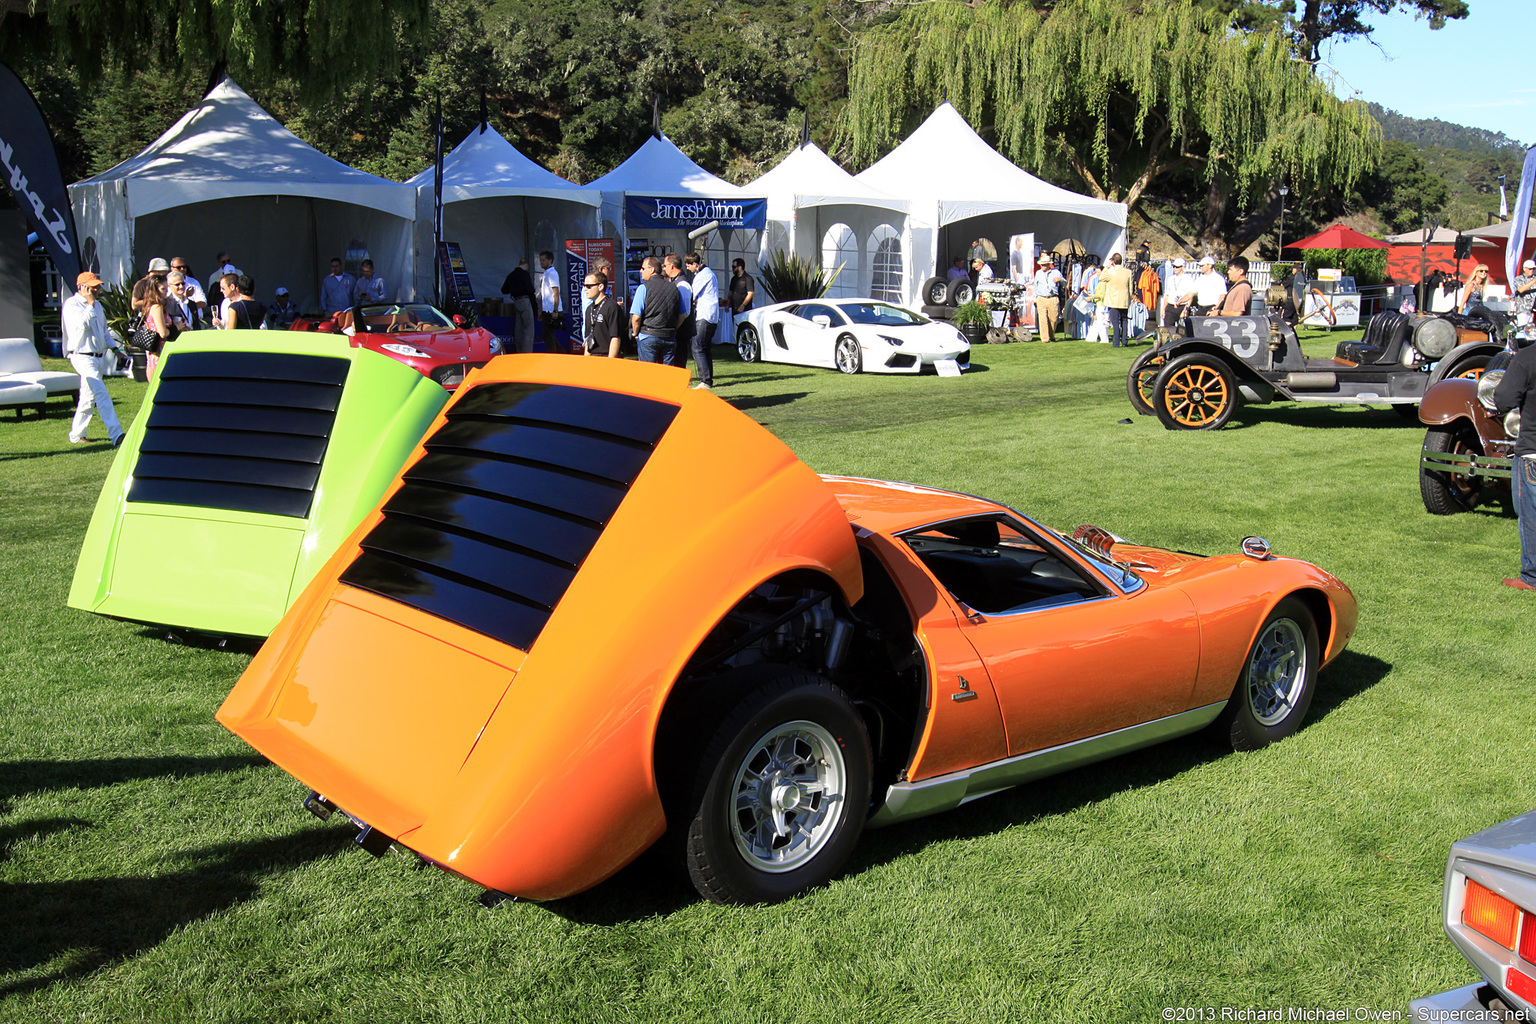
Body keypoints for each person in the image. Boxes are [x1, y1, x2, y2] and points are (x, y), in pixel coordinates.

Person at [63, 271, 125, 447]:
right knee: (101, 393)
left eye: (97, 287)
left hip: (97, 357)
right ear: (82, 288)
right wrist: (90, 305)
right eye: (93, 287)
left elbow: (104, 332)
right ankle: (116, 434)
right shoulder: (72, 305)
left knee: (87, 398)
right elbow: (80, 327)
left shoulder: (97, 305)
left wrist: (116, 350)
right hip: (81, 356)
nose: (97, 290)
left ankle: (77, 434)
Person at [1494, 339, 1536, 590]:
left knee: (1531, 516)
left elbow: (1504, 399)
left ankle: (1531, 577)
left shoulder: (1527, 357)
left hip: (1532, 451)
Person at [629, 256, 680, 364]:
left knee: (648, 375)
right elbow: (683, 314)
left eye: (643, 268)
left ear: (651, 270)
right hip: (669, 336)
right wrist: (673, 328)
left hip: (649, 335)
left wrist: (635, 333)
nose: (640, 271)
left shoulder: (643, 288)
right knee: (667, 374)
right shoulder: (673, 287)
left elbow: (636, 317)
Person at [685, 252, 719, 388]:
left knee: (697, 347)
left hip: (704, 316)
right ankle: (708, 378)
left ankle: (705, 380)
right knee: (705, 348)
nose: (687, 268)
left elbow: (692, 294)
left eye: (689, 266)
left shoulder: (703, 276)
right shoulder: (709, 274)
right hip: (712, 316)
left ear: (695, 264)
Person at [662, 253, 694, 369]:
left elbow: (685, 312)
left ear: (671, 266)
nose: (664, 268)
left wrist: (674, 328)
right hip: (677, 331)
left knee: (679, 363)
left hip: (681, 332)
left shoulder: (682, 284)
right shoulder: (675, 281)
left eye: (665, 265)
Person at [501, 257, 537, 353]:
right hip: (525, 300)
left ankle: (519, 350)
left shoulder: (511, 275)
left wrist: (513, 289)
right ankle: (527, 351)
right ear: (526, 266)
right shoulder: (524, 274)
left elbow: (504, 290)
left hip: (516, 301)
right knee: (528, 329)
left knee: (518, 328)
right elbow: (530, 290)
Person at [583, 271, 622, 358]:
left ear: (600, 286)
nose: (585, 289)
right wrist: (586, 359)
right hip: (593, 356)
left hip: (606, 355)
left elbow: (615, 337)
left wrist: (610, 361)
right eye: (584, 286)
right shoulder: (589, 309)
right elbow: (588, 339)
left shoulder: (612, 307)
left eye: (589, 286)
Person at [1098, 253, 1133, 348]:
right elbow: (1130, 288)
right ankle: (1125, 341)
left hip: (1113, 301)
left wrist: (1106, 267)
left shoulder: (1110, 272)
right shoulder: (1128, 272)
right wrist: (1129, 299)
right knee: (1124, 321)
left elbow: (1101, 277)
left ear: (1113, 262)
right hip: (1124, 300)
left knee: (1115, 322)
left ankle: (1116, 342)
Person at [1030, 254, 1065, 343]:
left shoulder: (1056, 272)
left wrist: (1060, 280)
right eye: (1041, 265)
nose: (1042, 266)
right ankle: (1045, 338)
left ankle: (1051, 335)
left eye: (1044, 264)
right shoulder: (1038, 273)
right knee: (1042, 319)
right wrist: (1035, 298)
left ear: (1049, 264)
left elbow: (1065, 284)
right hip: (1041, 298)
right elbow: (1036, 287)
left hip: (1053, 298)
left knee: (1053, 319)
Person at [537, 250, 563, 354]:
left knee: (548, 335)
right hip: (547, 310)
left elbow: (556, 292)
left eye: (543, 260)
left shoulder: (552, 273)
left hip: (552, 310)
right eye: (540, 260)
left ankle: (554, 355)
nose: (541, 262)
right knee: (547, 335)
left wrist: (555, 310)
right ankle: (560, 353)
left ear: (550, 260)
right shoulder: (545, 274)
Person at [726, 258, 755, 346]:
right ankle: (738, 344)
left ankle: (748, 343)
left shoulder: (748, 279)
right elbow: (730, 292)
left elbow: (750, 293)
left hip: (744, 309)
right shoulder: (734, 279)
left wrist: (743, 305)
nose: (732, 268)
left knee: (744, 327)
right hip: (734, 307)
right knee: (736, 327)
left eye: (734, 266)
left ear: (740, 267)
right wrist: (728, 304)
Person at [1164, 258, 1196, 327]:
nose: (1175, 268)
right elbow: (1167, 295)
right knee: (1168, 328)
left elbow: (1190, 296)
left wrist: (1185, 309)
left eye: (1177, 267)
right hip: (1170, 306)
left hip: (1182, 306)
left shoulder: (1188, 279)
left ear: (1183, 267)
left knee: (1182, 330)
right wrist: (1164, 309)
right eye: (1174, 266)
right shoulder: (1170, 279)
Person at [1514, 259, 1536, 331]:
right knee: (1522, 330)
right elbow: (1520, 290)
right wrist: (1533, 281)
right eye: (1530, 269)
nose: (1532, 271)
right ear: (1524, 269)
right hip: (1523, 310)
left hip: (1532, 310)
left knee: (1531, 331)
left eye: (1533, 269)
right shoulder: (1519, 279)